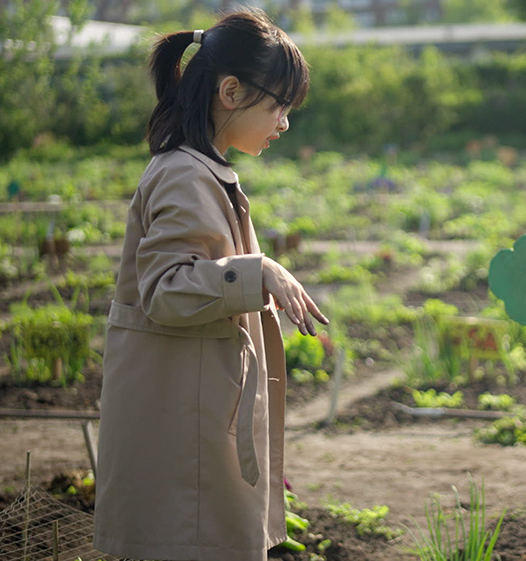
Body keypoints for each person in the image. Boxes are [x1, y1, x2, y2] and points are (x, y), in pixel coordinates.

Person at [94, 9, 327, 561]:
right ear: (230, 91)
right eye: (277, 106)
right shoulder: (182, 173)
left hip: (195, 418)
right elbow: (166, 291)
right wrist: (261, 271)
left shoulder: (200, 168)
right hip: (185, 438)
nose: (284, 124)